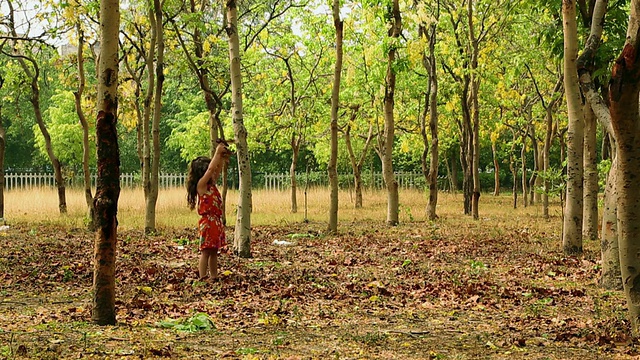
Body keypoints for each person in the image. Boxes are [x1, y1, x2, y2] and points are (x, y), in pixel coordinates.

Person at [186, 141, 232, 281]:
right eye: (207, 172)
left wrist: (222, 158)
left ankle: (214, 276)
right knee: (206, 251)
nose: (211, 174)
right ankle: (203, 276)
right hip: (208, 223)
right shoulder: (202, 186)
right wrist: (217, 152)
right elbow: (211, 169)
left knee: (214, 251)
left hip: (216, 223)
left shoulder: (211, 185)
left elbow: (216, 169)